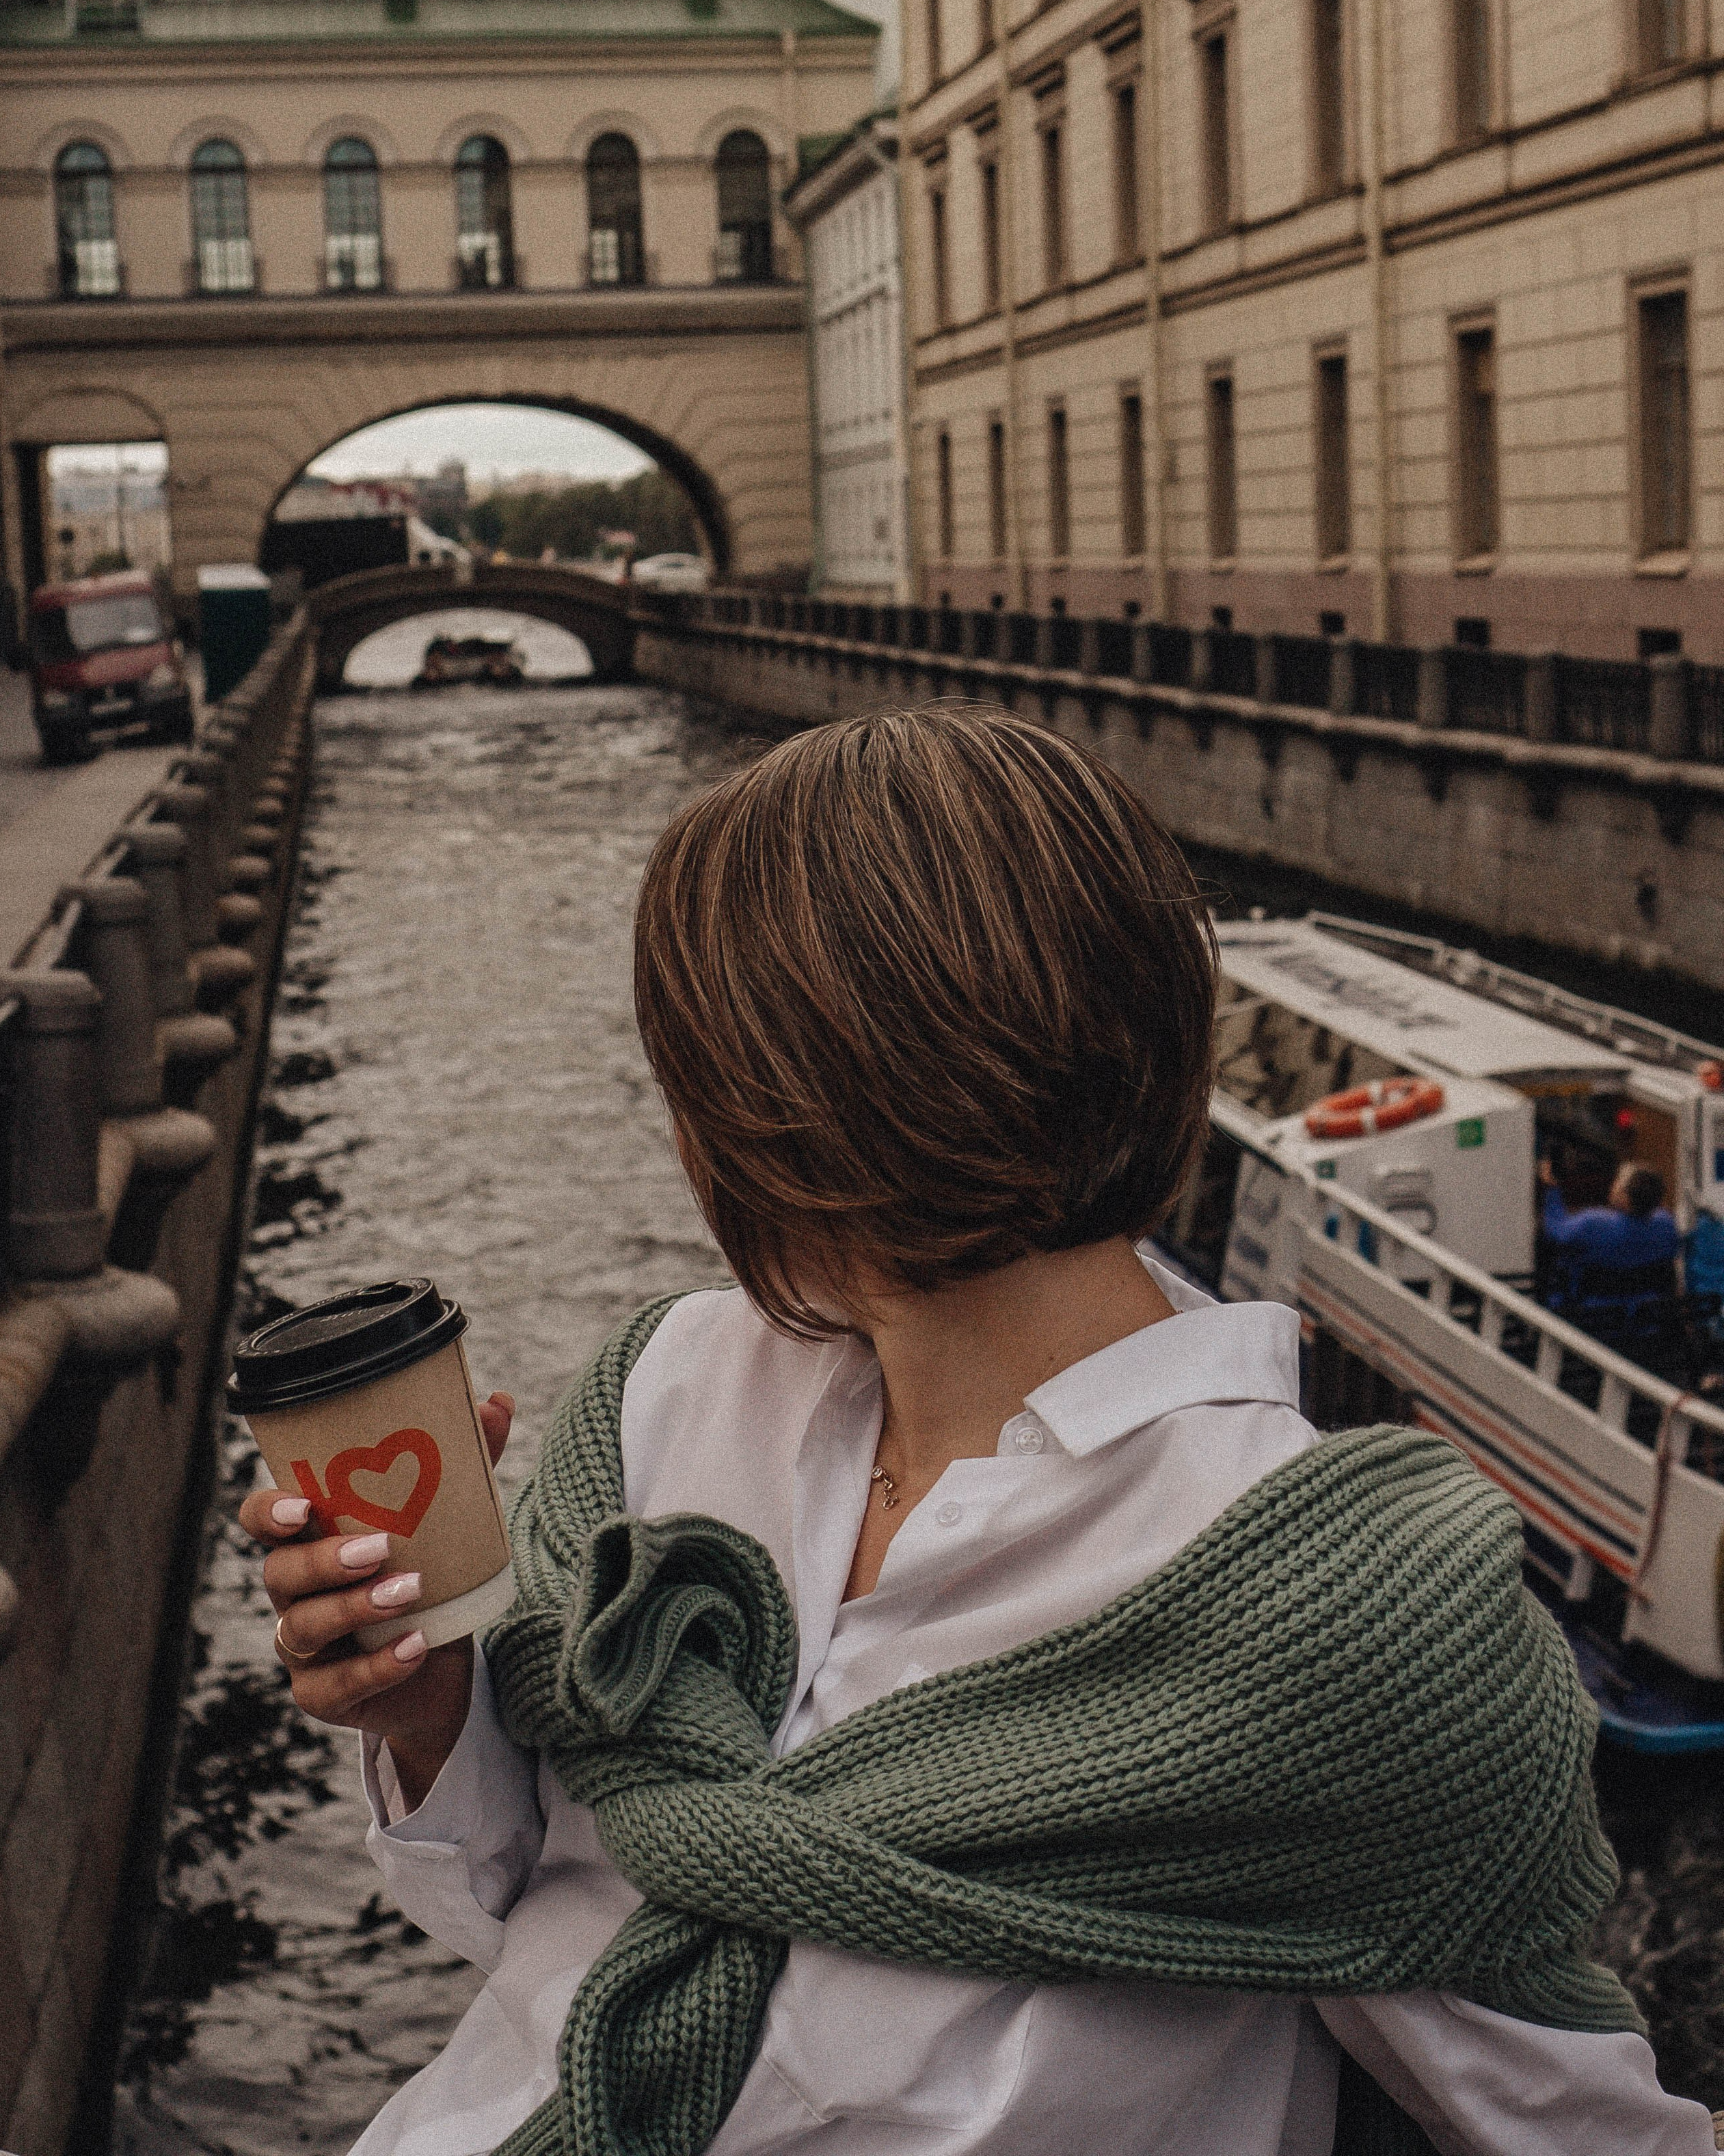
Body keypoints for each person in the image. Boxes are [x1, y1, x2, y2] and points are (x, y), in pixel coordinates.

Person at [243, 709, 1714, 2156]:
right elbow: (551, 1919)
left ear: (785, 1105)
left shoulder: (1342, 1618)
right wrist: (432, 1714)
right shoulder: (669, 1385)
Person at [1539, 1159, 1686, 1377]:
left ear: (1625, 1198)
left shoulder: (1594, 1225)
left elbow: (1556, 1231)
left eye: (1619, 1182)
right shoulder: (1665, 1225)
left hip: (1599, 1320)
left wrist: (1551, 1188)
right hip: (1647, 1322)